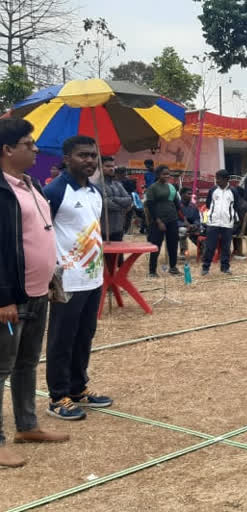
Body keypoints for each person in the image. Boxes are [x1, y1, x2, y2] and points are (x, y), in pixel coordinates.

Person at [0, 119, 69, 467]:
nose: (36, 150)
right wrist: (3, 297)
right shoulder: (2, 191)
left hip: (38, 292)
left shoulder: (31, 185)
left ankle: (26, 425)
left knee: (27, 363)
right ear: (8, 150)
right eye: (28, 143)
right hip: (12, 297)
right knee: (1, 366)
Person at [43, 135, 113, 421]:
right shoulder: (55, 191)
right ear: (67, 158)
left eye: (93, 156)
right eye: (83, 155)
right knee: (62, 338)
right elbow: (41, 233)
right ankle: (58, 396)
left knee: (85, 335)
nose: (90, 161)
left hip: (93, 277)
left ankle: (78, 387)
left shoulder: (95, 193)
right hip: (66, 281)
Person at [144, 166, 184, 277]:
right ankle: (152, 271)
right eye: (164, 174)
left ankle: (173, 268)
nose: (167, 176)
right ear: (158, 175)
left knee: (173, 244)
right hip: (158, 221)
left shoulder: (171, 187)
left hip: (172, 219)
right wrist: (158, 221)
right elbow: (150, 206)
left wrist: (183, 219)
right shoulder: (152, 188)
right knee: (156, 246)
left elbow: (177, 204)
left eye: (168, 174)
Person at [202, 170, 240, 276]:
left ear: (226, 179)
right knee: (210, 246)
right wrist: (214, 215)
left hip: (227, 224)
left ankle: (225, 267)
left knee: (226, 247)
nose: (217, 181)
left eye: (219, 179)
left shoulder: (233, 191)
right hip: (213, 223)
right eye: (216, 178)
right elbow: (208, 204)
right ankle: (205, 267)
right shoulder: (213, 190)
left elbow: (236, 206)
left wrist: (229, 216)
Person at [101, 156, 132, 244]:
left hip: (119, 228)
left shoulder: (118, 184)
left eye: (113, 166)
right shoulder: (97, 185)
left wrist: (114, 199)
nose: (111, 169)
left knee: (118, 257)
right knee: (105, 257)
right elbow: (106, 204)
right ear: (100, 167)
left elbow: (129, 199)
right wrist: (123, 207)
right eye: (107, 166)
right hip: (104, 230)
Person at [178, 186, 202, 257]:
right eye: (188, 194)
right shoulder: (177, 206)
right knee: (183, 230)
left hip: (192, 226)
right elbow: (175, 220)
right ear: (182, 195)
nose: (190, 196)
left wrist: (195, 225)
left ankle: (202, 248)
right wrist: (184, 225)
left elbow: (197, 219)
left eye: (191, 194)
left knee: (202, 229)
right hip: (180, 227)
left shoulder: (193, 206)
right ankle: (184, 252)